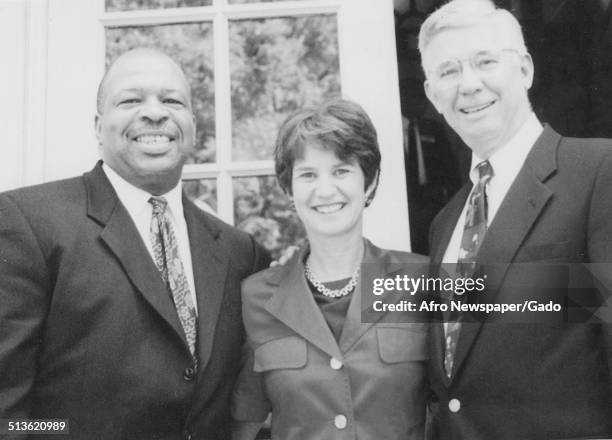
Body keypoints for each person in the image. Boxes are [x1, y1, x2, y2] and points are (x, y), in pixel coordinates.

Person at [0, 48, 270, 439]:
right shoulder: (28, 223)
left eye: (172, 100)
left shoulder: (240, 252)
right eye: (130, 100)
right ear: (98, 125)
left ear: (192, 125)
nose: (155, 112)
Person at [418, 0, 612, 438]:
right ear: (432, 95)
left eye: (485, 61)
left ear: (524, 69)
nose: (469, 84)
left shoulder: (599, 172)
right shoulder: (445, 224)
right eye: (448, 71)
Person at [230, 98, 429, 440]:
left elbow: (541, 301)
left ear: (368, 181)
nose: (325, 190)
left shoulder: (423, 279)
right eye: (308, 174)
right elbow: (241, 427)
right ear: (289, 190)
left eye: (341, 170)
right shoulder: (255, 297)